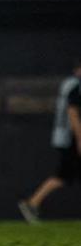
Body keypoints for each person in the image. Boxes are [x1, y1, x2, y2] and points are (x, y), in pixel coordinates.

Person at [19, 60, 81, 223]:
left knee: (64, 175)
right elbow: (73, 113)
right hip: (70, 138)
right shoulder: (75, 86)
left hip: (64, 137)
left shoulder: (69, 85)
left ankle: (32, 203)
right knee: (64, 174)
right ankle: (32, 203)